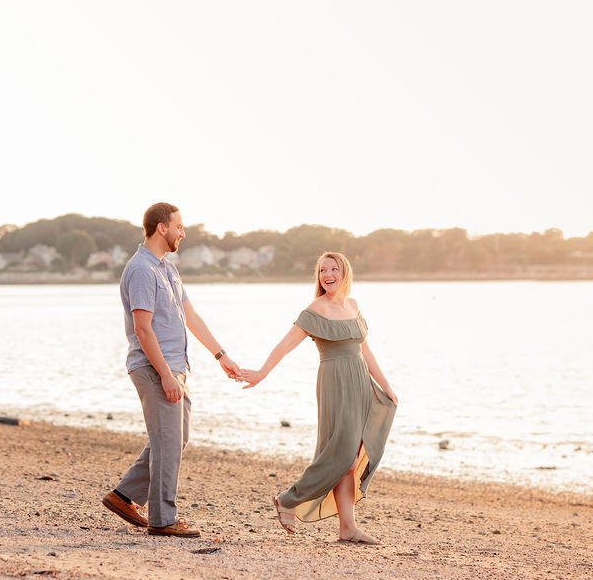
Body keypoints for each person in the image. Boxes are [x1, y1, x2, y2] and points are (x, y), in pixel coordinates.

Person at [102, 202, 241, 537]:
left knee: (175, 439)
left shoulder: (167, 269)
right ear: (162, 227)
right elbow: (143, 329)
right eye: (179, 226)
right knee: (166, 441)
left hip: (176, 367)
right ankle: (163, 519)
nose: (183, 233)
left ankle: (123, 496)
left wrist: (221, 355)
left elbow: (191, 317)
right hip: (154, 367)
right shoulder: (141, 270)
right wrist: (164, 374)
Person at [240, 252, 397, 545]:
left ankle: (348, 528)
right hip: (335, 383)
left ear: (344, 272)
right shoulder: (315, 309)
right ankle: (289, 499)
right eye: (322, 270)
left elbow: (365, 351)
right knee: (340, 454)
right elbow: (284, 346)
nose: (327, 274)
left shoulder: (353, 305)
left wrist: (386, 386)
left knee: (349, 461)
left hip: (361, 384)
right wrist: (261, 373)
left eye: (333, 268)